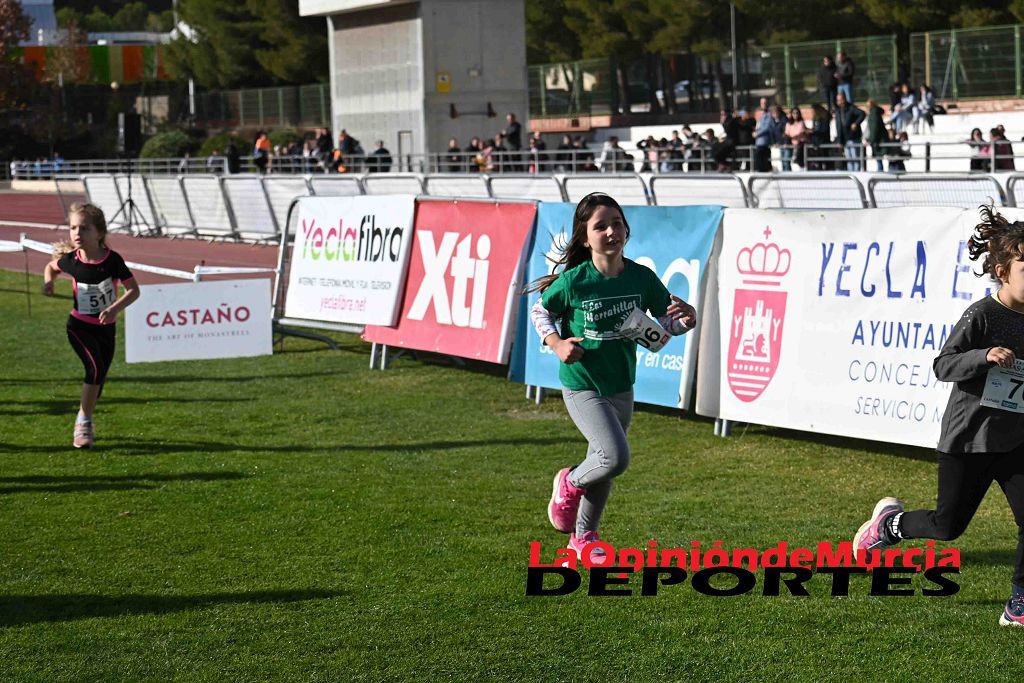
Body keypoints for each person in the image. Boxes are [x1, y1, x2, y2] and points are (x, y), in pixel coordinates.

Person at [853, 205, 1024, 627]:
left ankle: (1018, 604)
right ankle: (890, 526)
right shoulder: (982, 315)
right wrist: (983, 356)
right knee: (947, 527)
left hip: (1017, 440)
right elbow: (943, 364)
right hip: (970, 440)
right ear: (1003, 270)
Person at [525, 193, 697, 562]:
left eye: (617, 223)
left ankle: (583, 538)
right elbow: (541, 311)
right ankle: (569, 482)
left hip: (621, 382)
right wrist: (555, 343)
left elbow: (663, 325)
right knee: (614, 457)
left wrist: (686, 318)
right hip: (582, 381)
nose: (611, 231)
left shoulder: (641, 277)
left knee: (601, 461)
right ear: (585, 238)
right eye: (600, 226)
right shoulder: (574, 281)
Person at [41, 203, 140, 449]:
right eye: (73, 227)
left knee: (99, 381)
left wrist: (114, 308)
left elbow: (134, 291)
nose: (76, 233)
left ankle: (85, 414)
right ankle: (83, 423)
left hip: (107, 328)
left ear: (99, 233)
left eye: (84, 228)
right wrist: (48, 283)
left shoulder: (112, 261)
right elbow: (50, 267)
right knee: (94, 370)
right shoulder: (70, 261)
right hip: (79, 327)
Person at [834, 92, 866, 171]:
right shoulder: (838, 111)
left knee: (855, 158)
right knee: (849, 160)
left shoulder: (851, 108)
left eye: (841, 100)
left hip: (853, 137)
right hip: (845, 139)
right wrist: (840, 140)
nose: (839, 102)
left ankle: (857, 175)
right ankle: (851, 175)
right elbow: (838, 127)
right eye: (838, 100)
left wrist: (856, 123)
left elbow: (862, 114)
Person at [864, 99, 887, 172]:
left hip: (877, 140)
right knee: (878, 159)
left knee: (879, 159)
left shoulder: (874, 114)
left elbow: (874, 129)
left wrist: (871, 140)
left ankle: (880, 173)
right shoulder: (875, 113)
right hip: (878, 139)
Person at [782, 107, 807, 171]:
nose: (795, 115)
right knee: (786, 160)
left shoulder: (801, 123)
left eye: (797, 113)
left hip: (799, 145)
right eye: (794, 113)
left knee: (800, 161)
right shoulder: (788, 123)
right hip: (791, 144)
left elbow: (801, 133)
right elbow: (786, 133)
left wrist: (794, 136)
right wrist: (792, 137)